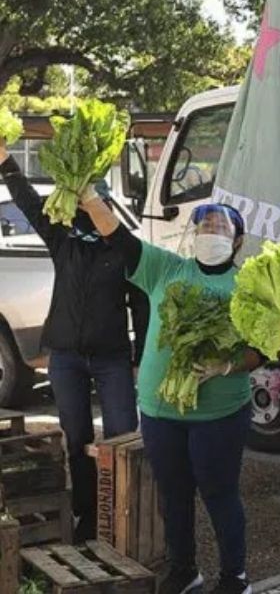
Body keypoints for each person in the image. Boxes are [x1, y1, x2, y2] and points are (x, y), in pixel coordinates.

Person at [79, 196, 263, 594]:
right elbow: (119, 237)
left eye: (220, 227)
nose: (210, 232)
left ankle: (235, 577)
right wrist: (91, 201)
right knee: (173, 494)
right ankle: (184, 569)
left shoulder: (247, 286)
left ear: (237, 241)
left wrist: (227, 365)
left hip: (219, 414)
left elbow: (262, 348)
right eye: (204, 226)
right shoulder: (166, 268)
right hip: (160, 411)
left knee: (220, 493)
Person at [0, 133, 147, 542]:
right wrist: (7, 162)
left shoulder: (124, 249)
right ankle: (87, 514)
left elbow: (141, 304)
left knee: (121, 437)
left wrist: (140, 357)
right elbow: (29, 204)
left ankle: (124, 515)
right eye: (82, 206)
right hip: (65, 357)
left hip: (112, 357)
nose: (87, 213)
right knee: (77, 437)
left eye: (94, 205)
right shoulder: (63, 240)